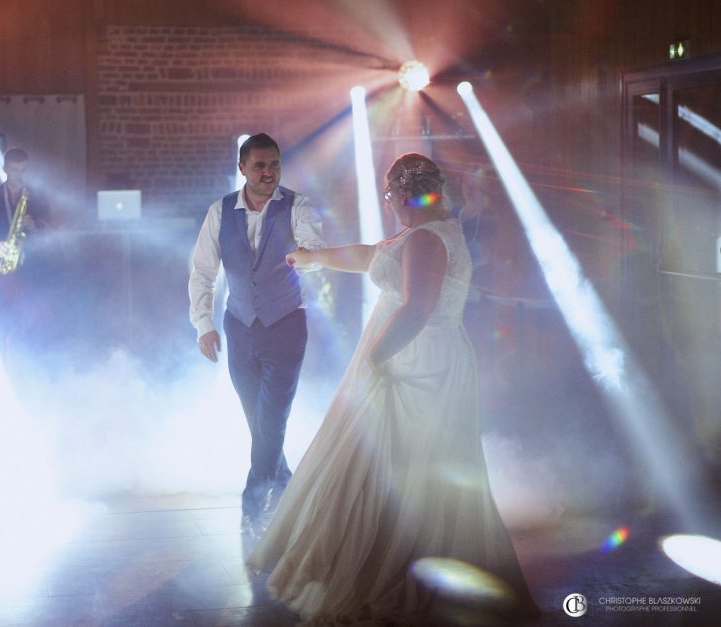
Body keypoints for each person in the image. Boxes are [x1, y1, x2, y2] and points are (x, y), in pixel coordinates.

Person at [247, 154, 540, 624]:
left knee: (397, 467)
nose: (388, 206)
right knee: (388, 466)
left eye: (389, 196)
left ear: (405, 194)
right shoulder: (423, 230)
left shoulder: (427, 237)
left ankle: (400, 569)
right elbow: (372, 256)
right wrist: (315, 257)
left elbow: (418, 307)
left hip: (414, 361)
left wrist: (377, 358)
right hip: (412, 353)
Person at [188, 133, 324, 532]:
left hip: (285, 326)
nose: (269, 173)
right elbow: (202, 271)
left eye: (275, 164)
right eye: (260, 165)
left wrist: (307, 257)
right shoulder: (220, 210)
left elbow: (315, 247)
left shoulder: (298, 205)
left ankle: (253, 502)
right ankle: (287, 487)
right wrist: (204, 324)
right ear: (242, 168)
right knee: (256, 419)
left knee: (273, 417)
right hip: (239, 327)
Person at [0, 148, 50, 358]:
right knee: (1, 326)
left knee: (30, 326)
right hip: (2, 270)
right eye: (14, 170)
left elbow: (48, 233)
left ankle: (28, 373)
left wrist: (35, 226)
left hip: (30, 271)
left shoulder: (37, 197)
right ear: (5, 169)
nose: (19, 176)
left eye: (23, 171)